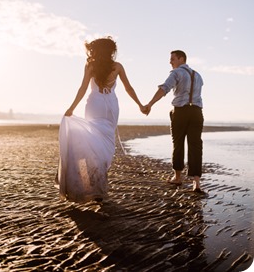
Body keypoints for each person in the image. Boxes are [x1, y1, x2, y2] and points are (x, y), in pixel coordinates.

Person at [56, 36, 146, 203]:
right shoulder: (117, 67)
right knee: (106, 143)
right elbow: (128, 88)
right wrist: (141, 105)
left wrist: (72, 107)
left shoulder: (91, 66)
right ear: (111, 51)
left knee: (91, 141)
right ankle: (99, 184)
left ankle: (91, 186)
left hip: (94, 105)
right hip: (111, 107)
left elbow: (83, 88)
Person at [143, 50, 204, 193]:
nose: (170, 62)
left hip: (181, 112)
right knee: (196, 145)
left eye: (172, 59)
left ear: (181, 59)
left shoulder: (176, 73)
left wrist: (150, 104)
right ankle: (196, 183)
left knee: (178, 143)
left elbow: (164, 89)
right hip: (196, 112)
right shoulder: (199, 76)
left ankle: (177, 177)